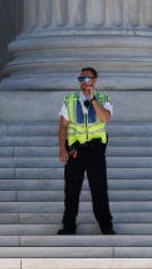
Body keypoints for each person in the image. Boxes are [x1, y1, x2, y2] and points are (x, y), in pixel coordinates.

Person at [58, 67, 114, 235]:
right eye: (81, 79)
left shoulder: (104, 99)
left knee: (99, 189)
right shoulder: (69, 100)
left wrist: (93, 99)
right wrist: (62, 149)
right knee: (71, 190)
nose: (83, 82)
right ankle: (69, 225)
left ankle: (106, 226)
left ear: (95, 80)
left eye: (87, 79)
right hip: (75, 151)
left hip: (96, 151)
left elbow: (105, 118)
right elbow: (63, 126)